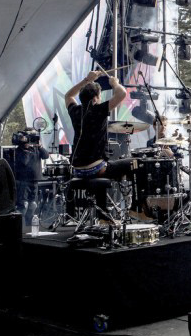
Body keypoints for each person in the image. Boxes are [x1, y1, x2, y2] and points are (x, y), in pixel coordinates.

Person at [64, 70, 136, 212]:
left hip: (77, 170)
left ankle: (103, 215)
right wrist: (115, 83)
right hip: (96, 169)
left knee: (103, 163)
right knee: (135, 163)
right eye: (100, 96)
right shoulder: (99, 110)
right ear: (95, 99)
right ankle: (136, 208)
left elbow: (68, 95)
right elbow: (121, 93)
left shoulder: (75, 111)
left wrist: (86, 79)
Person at [12, 131, 49, 223]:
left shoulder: (36, 148)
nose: (29, 140)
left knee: (33, 203)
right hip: (23, 180)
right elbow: (24, 162)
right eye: (27, 138)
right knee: (23, 204)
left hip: (35, 179)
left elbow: (46, 156)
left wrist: (40, 147)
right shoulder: (19, 150)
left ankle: (29, 223)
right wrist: (26, 149)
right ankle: (18, 224)